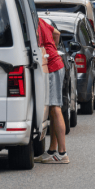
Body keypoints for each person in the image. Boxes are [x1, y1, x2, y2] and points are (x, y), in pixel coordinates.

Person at [34, 18, 68, 164]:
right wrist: (53, 47)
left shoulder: (34, 23)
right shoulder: (40, 20)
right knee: (53, 108)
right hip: (56, 63)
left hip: (52, 66)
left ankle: (63, 153)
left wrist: (48, 51)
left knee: (55, 108)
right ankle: (52, 151)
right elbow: (57, 33)